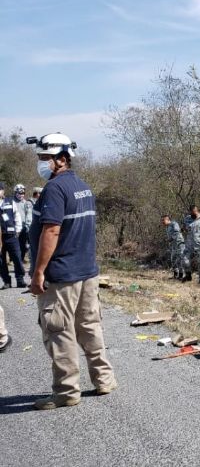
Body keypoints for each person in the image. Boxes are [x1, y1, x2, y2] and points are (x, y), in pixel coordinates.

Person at [26, 132, 117, 410]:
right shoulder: (83, 187)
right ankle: (104, 380)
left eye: (45, 158)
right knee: (89, 326)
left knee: (59, 330)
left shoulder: (54, 190)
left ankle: (66, 392)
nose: (41, 163)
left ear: (62, 159)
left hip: (62, 276)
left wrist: (39, 271)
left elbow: (51, 231)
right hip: (86, 272)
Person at [0, 182, 26, 289]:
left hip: (11, 235)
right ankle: (7, 281)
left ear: (3, 190)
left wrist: (18, 230)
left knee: (17, 258)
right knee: (1, 261)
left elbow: (17, 216)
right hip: (0, 237)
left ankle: (20, 280)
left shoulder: (10, 201)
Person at [162, 215, 186, 280]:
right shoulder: (167, 227)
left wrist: (171, 238)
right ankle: (175, 275)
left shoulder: (174, 224)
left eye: (163, 220)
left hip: (179, 244)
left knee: (180, 260)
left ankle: (181, 276)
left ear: (167, 219)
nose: (162, 222)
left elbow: (177, 232)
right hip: (174, 246)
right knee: (173, 259)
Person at [13, 184, 32, 264]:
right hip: (13, 228)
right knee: (14, 246)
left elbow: (29, 215)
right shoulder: (12, 202)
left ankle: (20, 260)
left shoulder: (27, 203)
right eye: (19, 193)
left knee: (23, 246)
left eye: (23, 193)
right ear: (15, 193)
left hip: (24, 228)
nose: (21, 195)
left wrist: (28, 226)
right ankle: (15, 260)